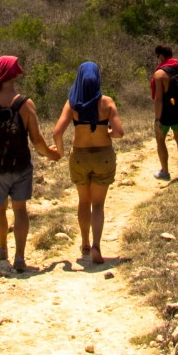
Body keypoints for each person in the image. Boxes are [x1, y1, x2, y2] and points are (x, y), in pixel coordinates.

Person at [0, 55, 59, 273]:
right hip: (21, 165)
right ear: (13, 75)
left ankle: (3, 252)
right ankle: (20, 257)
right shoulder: (26, 104)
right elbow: (36, 139)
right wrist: (50, 154)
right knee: (20, 209)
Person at [52, 61, 125, 265]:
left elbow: (57, 132)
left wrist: (60, 151)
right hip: (103, 156)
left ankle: (84, 243)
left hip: (80, 156)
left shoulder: (72, 103)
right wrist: (108, 131)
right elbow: (119, 132)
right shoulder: (107, 103)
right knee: (98, 204)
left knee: (83, 201)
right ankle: (96, 245)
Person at [150, 44, 178, 181]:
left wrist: (157, 119)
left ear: (161, 55)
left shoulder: (160, 74)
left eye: (158, 56)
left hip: (165, 113)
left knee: (160, 141)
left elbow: (158, 99)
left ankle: (165, 172)